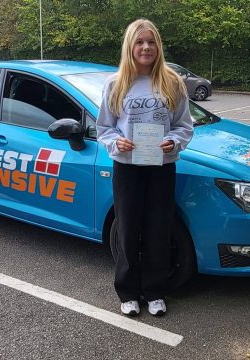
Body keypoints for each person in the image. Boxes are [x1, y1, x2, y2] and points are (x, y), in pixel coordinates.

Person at [96, 18, 193, 316]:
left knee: (158, 229)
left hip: (161, 167)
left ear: (158, 46)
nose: (146, 47)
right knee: (127, 229)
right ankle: (127, 292)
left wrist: (173, 143)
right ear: (130, 46)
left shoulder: (171, 82)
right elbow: (104, 128)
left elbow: (184, 126)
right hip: (127, 168)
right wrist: (117, 143)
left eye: (151, 42)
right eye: (140, 42)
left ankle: (154, 291)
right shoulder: (116, 84)